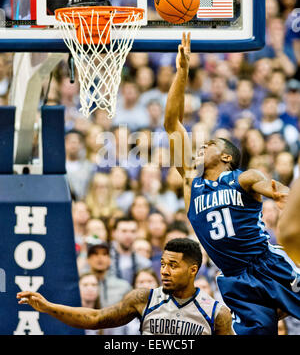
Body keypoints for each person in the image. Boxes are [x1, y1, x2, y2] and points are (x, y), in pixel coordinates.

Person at [163, 32, 300, 335]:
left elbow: (269, 185)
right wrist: (182, 72)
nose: (201, 146)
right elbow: (172, 124)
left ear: (225, 156)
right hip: (235, 278)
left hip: (268, 264)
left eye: (209, 143)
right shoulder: (191, 183)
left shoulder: (242, 178)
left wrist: (281, 196)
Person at [17, 238, 234, 335]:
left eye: (173, 266)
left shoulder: (216, 313)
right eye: (163, 264)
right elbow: (95, 319)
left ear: (193, 270)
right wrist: (48, 307)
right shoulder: (144, 299)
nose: (165, 271)